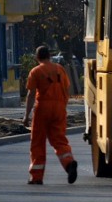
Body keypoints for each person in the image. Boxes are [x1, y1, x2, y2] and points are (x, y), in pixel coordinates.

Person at [22, 45, 77, 185]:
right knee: (59, 139)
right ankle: (69, 163)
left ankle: (36, 176)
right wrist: (62, 105)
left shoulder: (36, 71)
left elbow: (31, 94)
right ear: (50, 56)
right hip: (59, 107)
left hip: (43, 108)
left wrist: (26, 115)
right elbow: (66, 88)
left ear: (37, 57)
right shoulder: (60, 69)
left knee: (38, 142)